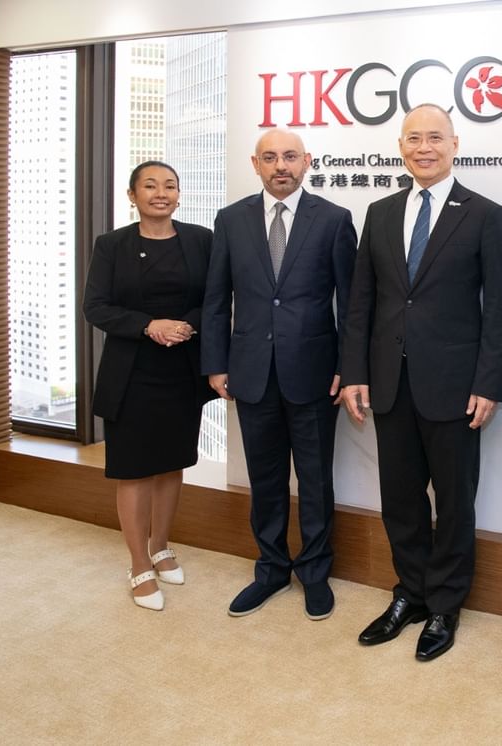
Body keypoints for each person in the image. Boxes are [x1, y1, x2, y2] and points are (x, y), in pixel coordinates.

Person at [340, 103, 502, 662]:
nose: (424, 148)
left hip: (456, 386)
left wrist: (489, 383)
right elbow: (361, 301)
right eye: (413, 139)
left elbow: (499, 309)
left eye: (435, 138)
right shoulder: (380, 212)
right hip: (390, 381)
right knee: (400, 498)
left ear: (455, 143)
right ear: (400, 147)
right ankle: (410, 593)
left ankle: (444, 604)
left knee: (455, 501)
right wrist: (355, 372)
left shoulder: (484, 214)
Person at [201, 129, 357, 621]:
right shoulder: (231, 220)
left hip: (315, 375)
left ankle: (314, 572)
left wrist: (347, 367)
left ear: (307, 161)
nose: (280, 166)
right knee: (265, 480)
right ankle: (270, 569)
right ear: (256, 164)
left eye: (290, 156)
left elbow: (352, 304)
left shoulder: (334, 219)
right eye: (270, 157)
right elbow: (215, 298)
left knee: (315, 480)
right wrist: (216, 363)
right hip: (250, 373)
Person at [83, 160, 215, 611]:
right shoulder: (111, 245)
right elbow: (95, 307)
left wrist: (187, 326)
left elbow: (216, 299)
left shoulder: (200, 240)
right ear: (132, 195)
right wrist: (148, 325)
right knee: (135, 469)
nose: (161, 193)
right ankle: (138, 563)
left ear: (179, 194)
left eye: (170, 186)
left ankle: (160, 546)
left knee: (171, 463)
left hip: (181, 371)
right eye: (151, 186)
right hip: (131, 373)